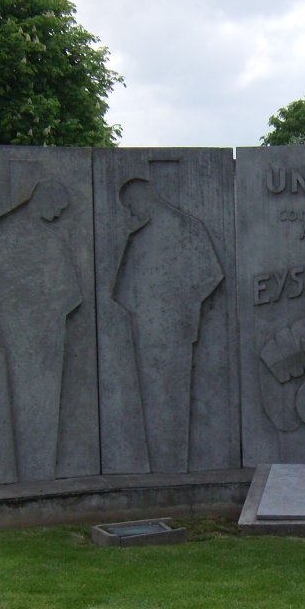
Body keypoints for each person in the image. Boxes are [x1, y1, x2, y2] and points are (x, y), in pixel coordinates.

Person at [0, 179, 81, 482]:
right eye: (58, 207)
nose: (59, 214)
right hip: (23, 331)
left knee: (43, 403)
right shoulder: (4, 232)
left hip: (47, 331)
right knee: (28, 401)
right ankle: (32, 471)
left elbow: (71, 294)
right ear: (44, 198)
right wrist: (23, 304)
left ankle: (38, 470)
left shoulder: (49, 238)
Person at [113, 177, 224, 473]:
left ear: (145, 198)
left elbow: (211, 275)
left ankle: (171, 467)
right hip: (156, 328)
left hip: (171, 328)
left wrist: (182, 306)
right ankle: (167, 467)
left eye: (133, 207)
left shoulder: (184, 229)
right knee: (159, 401)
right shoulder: (147, 235)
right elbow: (121, 290)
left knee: (169, 400)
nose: (132, 214)